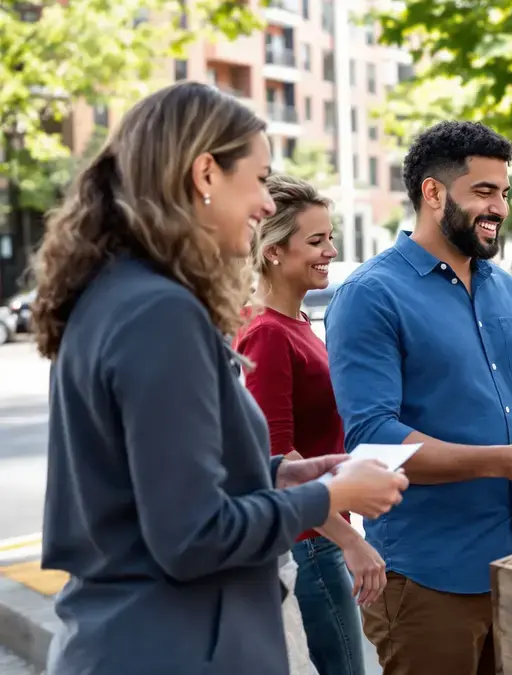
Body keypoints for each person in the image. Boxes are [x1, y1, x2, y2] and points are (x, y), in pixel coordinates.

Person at [30, 81, 408, 675]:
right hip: (172, 646)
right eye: (258, 180)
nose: (264, 205)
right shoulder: (159, 311)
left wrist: (281, 473)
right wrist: (330, 496)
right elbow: (191, 535)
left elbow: (150, 484)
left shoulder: (117, 294)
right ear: (206, 174)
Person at [324, 120, 512, 675]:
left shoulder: (503, 286)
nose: (500, 207)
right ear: (432, 193)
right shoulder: (369, 296)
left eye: (504, 193)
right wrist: (506, 463)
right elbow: (372, 437)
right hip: (428, 578)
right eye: (483, 192)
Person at [235, 174, 385, 675]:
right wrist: (350, 541)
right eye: (317, 240)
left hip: (324, 534)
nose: (332, 251)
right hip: (312, 545)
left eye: (331, 237)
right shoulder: (265, 334)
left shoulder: (295, 322)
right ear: (274, 251)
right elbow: (277, 460)